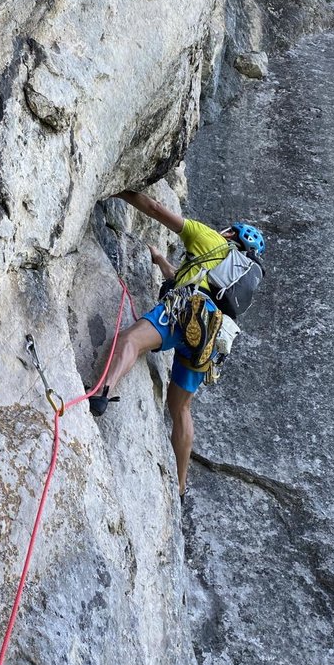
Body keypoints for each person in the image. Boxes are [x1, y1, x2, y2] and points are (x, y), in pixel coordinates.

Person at [89, 189, 266, 499]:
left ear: (231, 234)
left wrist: (117, 188)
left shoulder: (211, 239)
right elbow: (188, 279)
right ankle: (181, 485)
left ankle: (102, 392)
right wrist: (160, 261)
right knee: (181, 407)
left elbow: (155, 208)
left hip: (183, 312)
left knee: (131, 340)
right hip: (208, 337)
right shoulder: (234, 279)